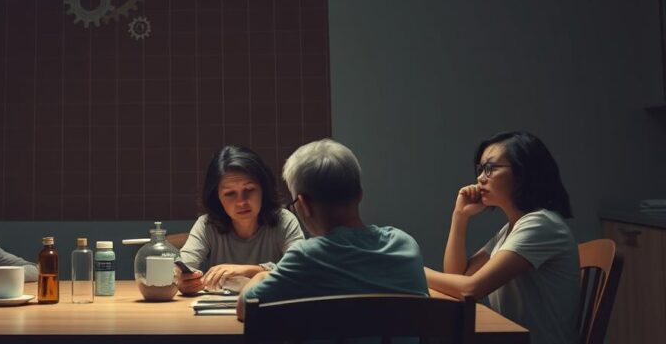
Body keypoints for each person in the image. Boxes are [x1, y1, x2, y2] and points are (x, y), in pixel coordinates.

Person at [237, 138, 428, 320]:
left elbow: (246, 308)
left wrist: (262, 275)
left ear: (304, 205)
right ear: (359, 194)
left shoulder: (306, 257)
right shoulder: (404, 244)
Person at [425, 131, 579, 344]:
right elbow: (458, 276)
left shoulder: (541, 224)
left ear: (523, 173)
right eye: (480, 169)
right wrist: (460, 216)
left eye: (490, 168)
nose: (480, 178)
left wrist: (416, 271)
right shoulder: (513, 228)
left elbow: (470, 289)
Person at [177, 145, 305, 295]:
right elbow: (182, 267)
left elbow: (301, 271)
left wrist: (252, 270)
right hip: (217, 313)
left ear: (263, 189)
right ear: (217, 197)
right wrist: (183, 280)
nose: (241, 202)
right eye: (230, 194)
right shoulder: (207, 224)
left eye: (249, 190)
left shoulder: (284, 220)